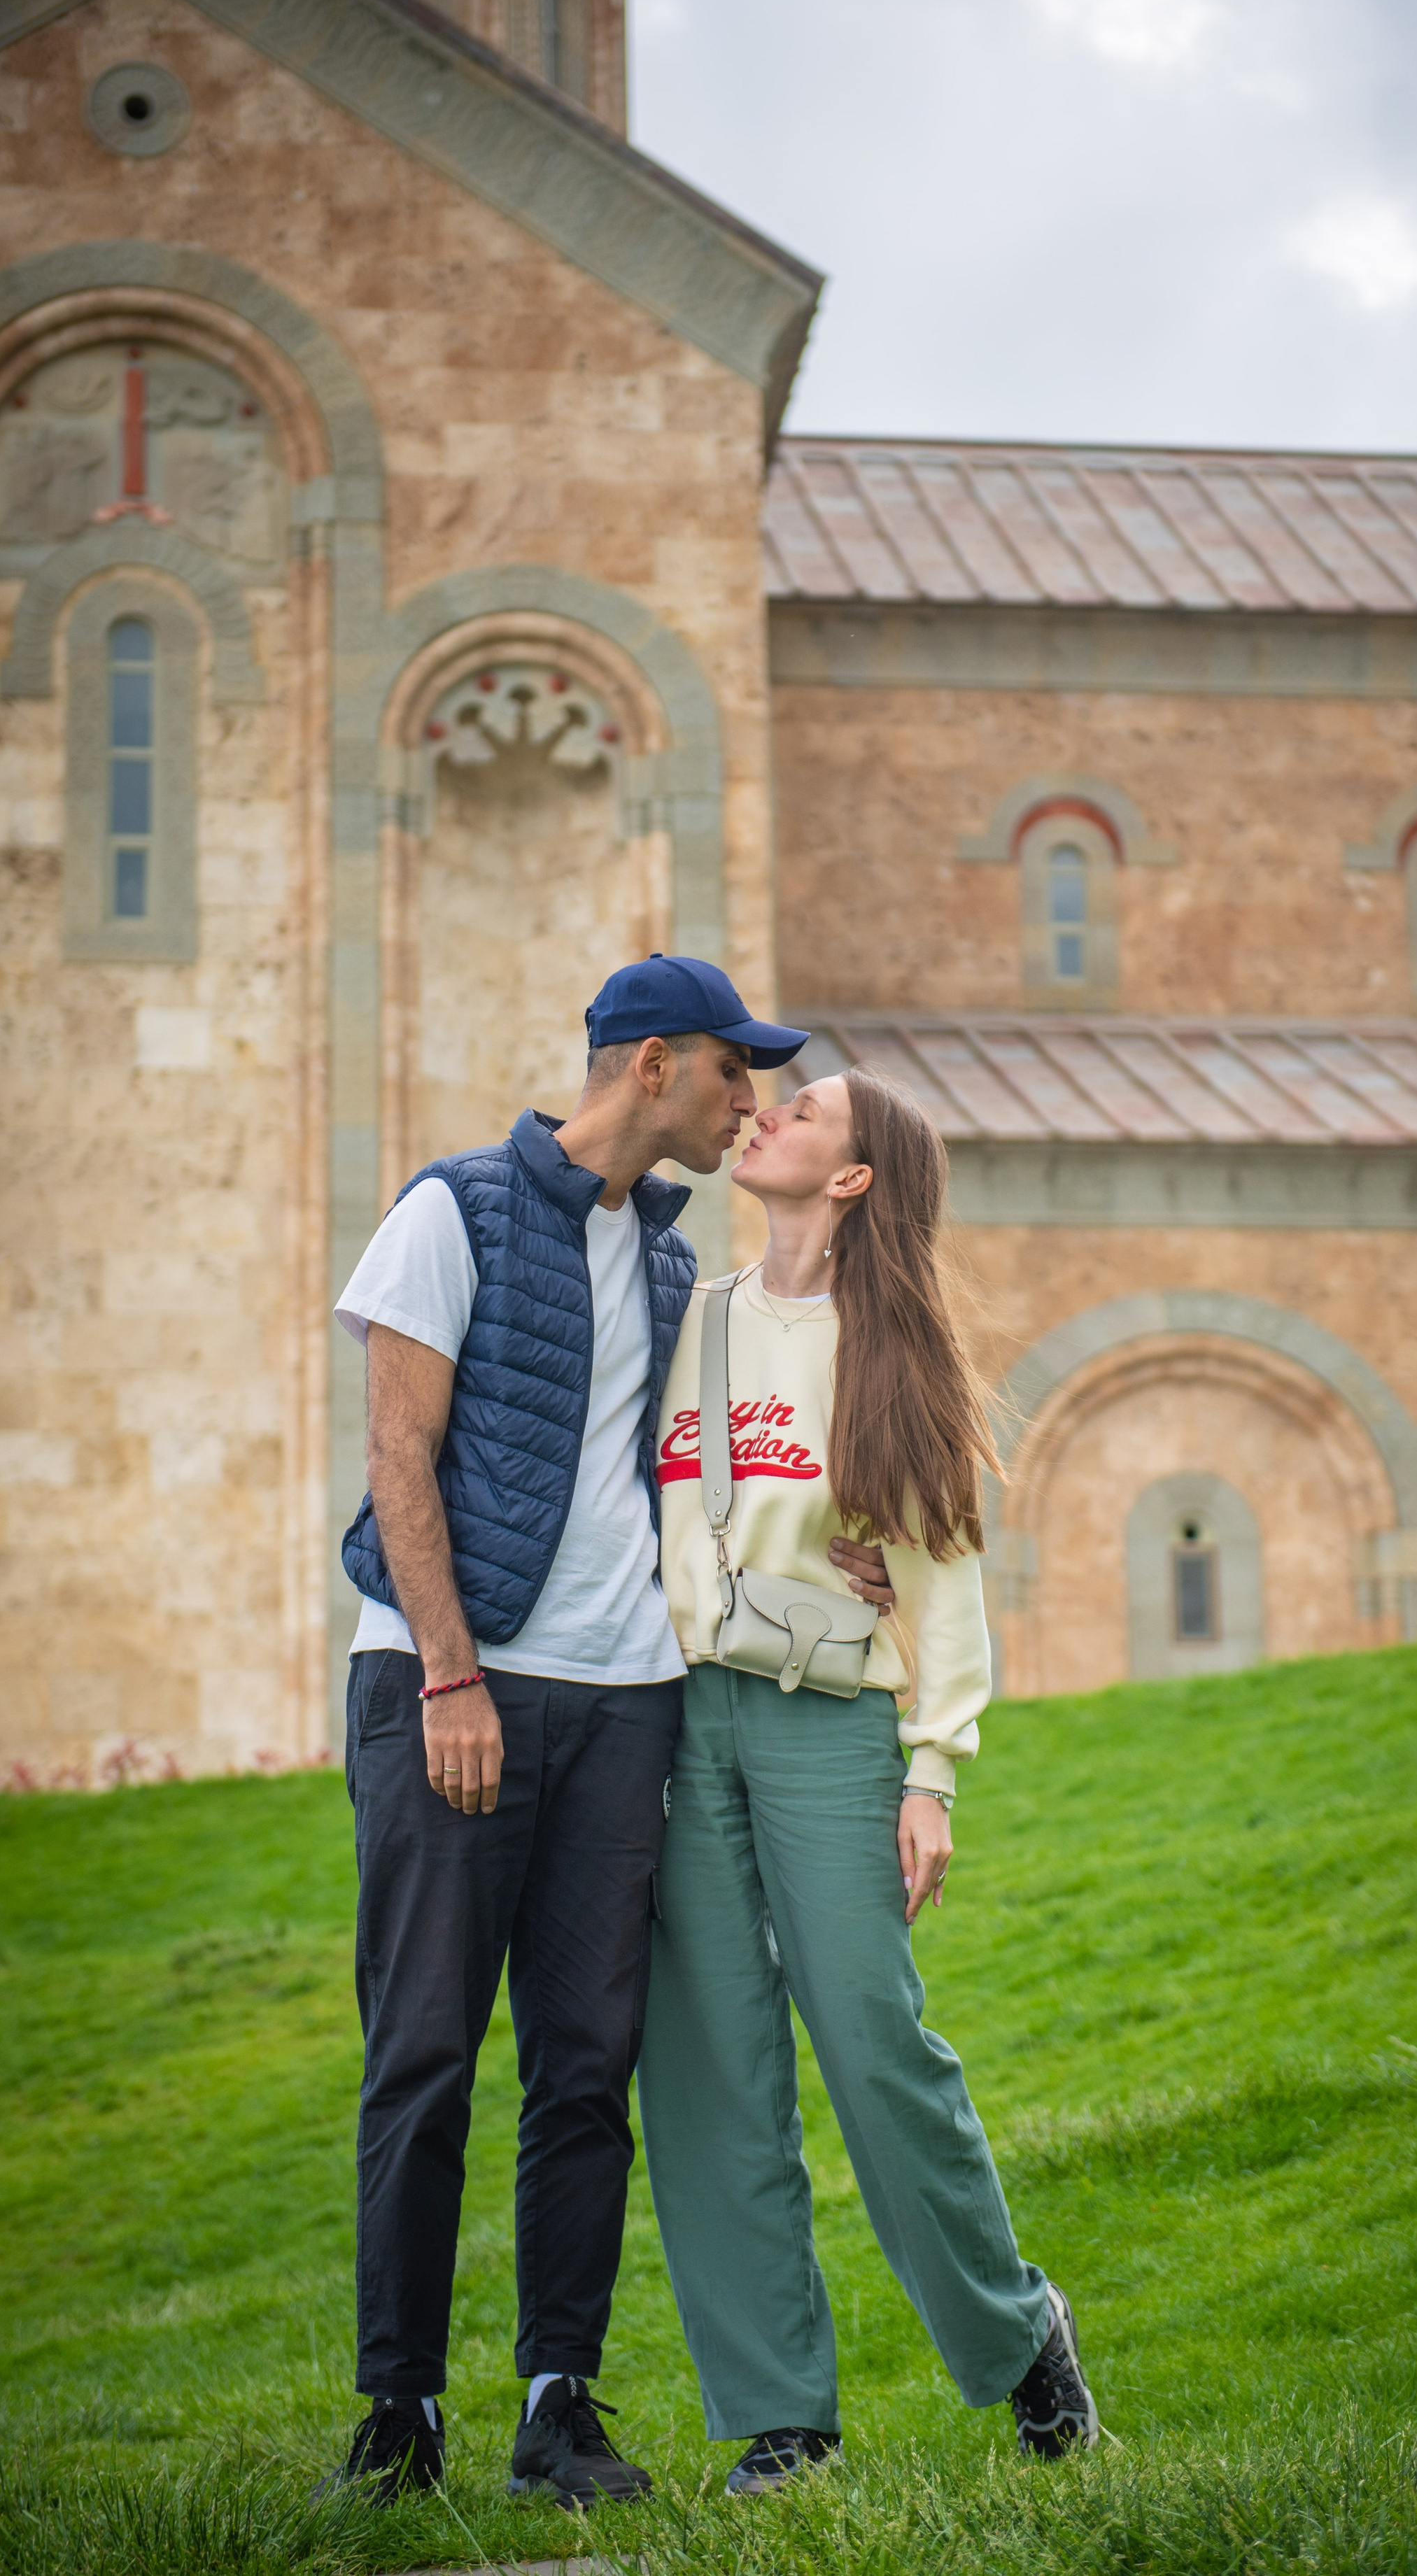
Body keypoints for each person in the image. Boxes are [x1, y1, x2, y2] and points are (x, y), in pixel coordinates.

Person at [320, 957, 892, 2512]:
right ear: (650, 1066)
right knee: (425, 2054)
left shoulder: (664, 1261)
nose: (746, 1101)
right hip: (453, 1685)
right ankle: (397, 2416)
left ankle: (556, 2406)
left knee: (585, 2068)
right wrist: (449, 1674)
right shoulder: (446, 1211)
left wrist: (837, 1539)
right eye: (728, 1073)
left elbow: (732, 1444)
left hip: (626, 1701)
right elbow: (397, 1453)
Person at [637, 1064, 1099, 2496]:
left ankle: (1019, 2334)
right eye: (768, 1102)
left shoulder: (890, 1349)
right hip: (674, 1720)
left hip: (829, 1727)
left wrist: (931, 1771)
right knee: (708, 2067)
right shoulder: (684, 1317)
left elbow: (942, 1574)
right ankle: (782, 2420)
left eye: (802, 1111)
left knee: (872, 2042)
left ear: (849, 1177)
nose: (763, 1114)